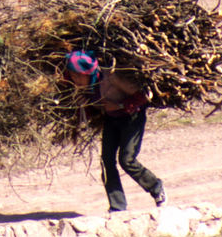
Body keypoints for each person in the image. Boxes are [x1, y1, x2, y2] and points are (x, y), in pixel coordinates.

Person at [63, 50, 167, 213]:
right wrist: (84, 105)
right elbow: (94, 107)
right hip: (111, 120)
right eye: (73, 76)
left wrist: (120, 106)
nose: (75, 80)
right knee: (106, 162)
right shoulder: (84, 86)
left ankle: (155, 187)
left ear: (87, 72)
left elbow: (144, 95)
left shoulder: (111, 77)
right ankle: (117, 206)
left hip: (132, 119)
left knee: (127, 160)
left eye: (77, 76)